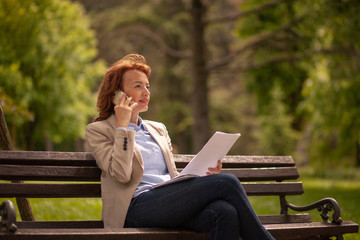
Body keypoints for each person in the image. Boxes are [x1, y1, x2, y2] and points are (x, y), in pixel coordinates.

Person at [85, 54, 275, 240]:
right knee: (227, 182)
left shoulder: (158, 129)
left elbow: (171, 175)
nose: (146, 92)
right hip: (134, 207)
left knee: (224, 212)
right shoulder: (99, 130)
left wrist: (203, 174)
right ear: (116, 94)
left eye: (147, 86)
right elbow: (121, 174)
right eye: (137, 86)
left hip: (168, 201)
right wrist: (123, 128)